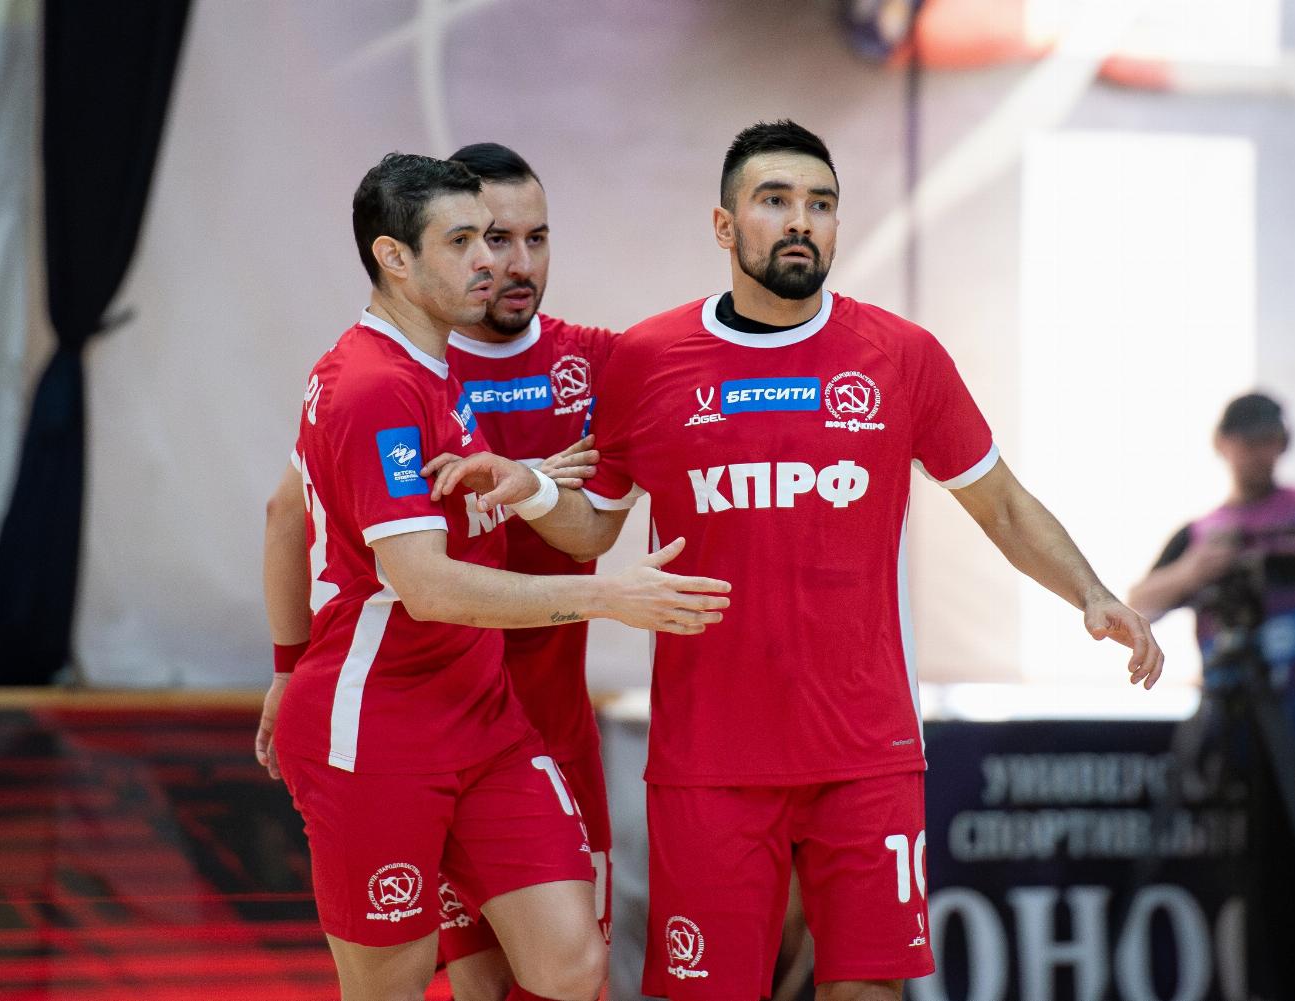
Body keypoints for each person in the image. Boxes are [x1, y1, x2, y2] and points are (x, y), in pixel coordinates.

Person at [430, 120, 1164, 1001]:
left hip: (866, 752)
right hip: (708, 760)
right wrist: (532, 489)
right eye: (774, 200)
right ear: (724, 224)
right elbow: (593, 534)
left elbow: (999, 501)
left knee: (870, 990)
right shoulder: (649, 360)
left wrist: (1090, 592)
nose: (799, 221)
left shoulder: (901, 356)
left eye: (820, 204)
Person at [254, 152, 731, 1001]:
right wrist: (609, 595)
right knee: (394, 986)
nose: (493, 261)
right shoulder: (374, 386)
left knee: (572, 961)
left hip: (484, 719)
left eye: (511, 237)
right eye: (466, 241)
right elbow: (427, 585)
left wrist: (529, 484)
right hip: (381, 728)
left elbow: (287, 511)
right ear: (395, 258)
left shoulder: (435, 369)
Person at [431, 141, 619, 1001]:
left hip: (558, 732)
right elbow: (291, 512)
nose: (519, 264)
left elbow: (587, 540)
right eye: (495, 240)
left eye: (536, 239)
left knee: (573, 982)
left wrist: (524, 485)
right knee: (477, 986)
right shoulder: (407, 370)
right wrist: (289, 668)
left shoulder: (597, 362)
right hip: (442, 738)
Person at [1127, 391, 1295, 1000]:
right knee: (1276, 887)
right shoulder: (1201, 534)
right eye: (1245, 440)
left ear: (1283, 443)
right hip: (1251, 740)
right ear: (1223, 445)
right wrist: (1195, 572)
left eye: (1267, 439)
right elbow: (1136, 604)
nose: (1256, 453)